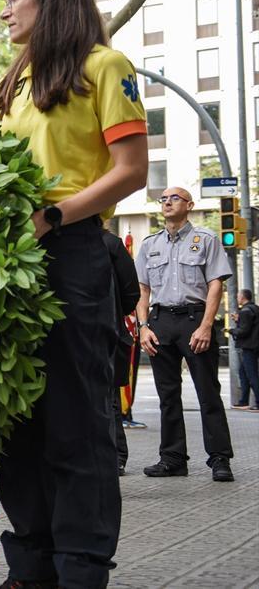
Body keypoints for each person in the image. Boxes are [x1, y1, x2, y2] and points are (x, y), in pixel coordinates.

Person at [0, 0, 149, 588]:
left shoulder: (106, 66)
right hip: (7, 264)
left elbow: (131, 171)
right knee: (14, 420)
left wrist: (52, 217)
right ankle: (31, 564)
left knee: (75, 420)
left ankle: (80, 566)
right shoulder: (15, 82)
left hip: (72, 252)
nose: (4, 10)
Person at [135, 186, 234, 482]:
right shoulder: (150, 244)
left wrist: (206, 325)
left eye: (175, 198)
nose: (167, 202)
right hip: (159, 322)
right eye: (163, 198)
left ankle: (220, 458)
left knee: (207, 393)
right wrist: (143, 327)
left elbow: (215, 284)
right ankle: (173, 459)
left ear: (189, 205)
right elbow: (142, 289)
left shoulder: (206, 239)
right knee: (168, 396)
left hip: (194, 320)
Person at [103, 228, 140, 476]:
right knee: (110, 401)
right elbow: (131, 293)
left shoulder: (111, 244)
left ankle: (115, 456)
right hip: (106, 331)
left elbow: (130, 295)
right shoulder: (111, 243)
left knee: (110, 401)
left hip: (106, 335)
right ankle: (114, 457)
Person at [232, 290, 259, 410]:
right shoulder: (255, 308)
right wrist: (238, 320)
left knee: (252, 375)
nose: (237, 298)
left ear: (242, 297)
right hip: (254, 345)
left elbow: (244, 331)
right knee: (243, 372)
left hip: (249, 346)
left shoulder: (245, 311)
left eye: (238, 296)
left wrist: (231, 330)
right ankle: (243, 401)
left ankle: (258, 402)